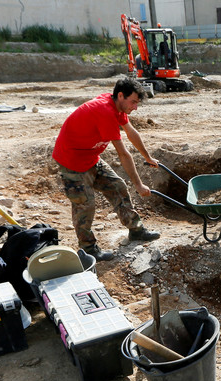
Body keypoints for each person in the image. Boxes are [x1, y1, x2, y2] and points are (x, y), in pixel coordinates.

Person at [52, 78, 161, 262]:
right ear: (120, 95)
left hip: (91, 158)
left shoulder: (117, 107)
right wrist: (139, 185)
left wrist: (147, 157)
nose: (135, 107)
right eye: (133, 102)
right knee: (85, 205)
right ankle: (88, 249)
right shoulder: (105, 112)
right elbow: (123, 154)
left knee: (117, 186)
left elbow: (131, 131)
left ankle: (136, 230)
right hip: (72, 161)